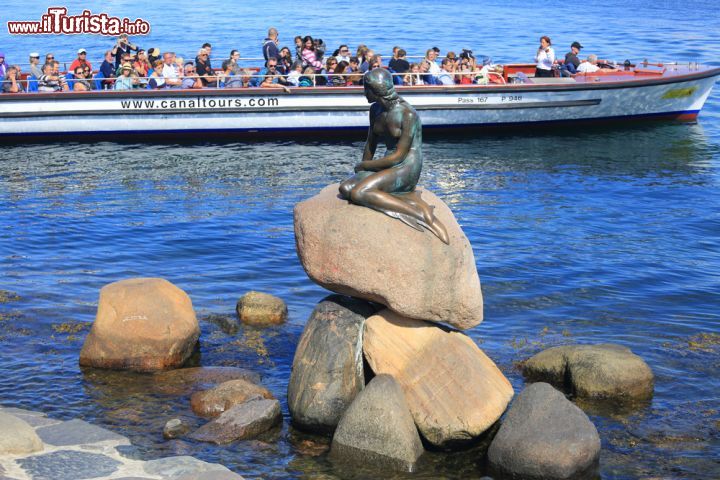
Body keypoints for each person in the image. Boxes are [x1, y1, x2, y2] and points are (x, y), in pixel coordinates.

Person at [338, 68, 448, 244]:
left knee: (360, 192)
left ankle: (420, 214)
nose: (363, 92)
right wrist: (362, 166)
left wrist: (365, 167)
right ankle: (395, 198)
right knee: (346, 188)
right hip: (387, 163)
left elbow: (398, 156)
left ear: (375, 90)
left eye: (365, 88)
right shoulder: (375, 110)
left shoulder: (407, 114)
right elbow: (371, 143)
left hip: (406, 166)